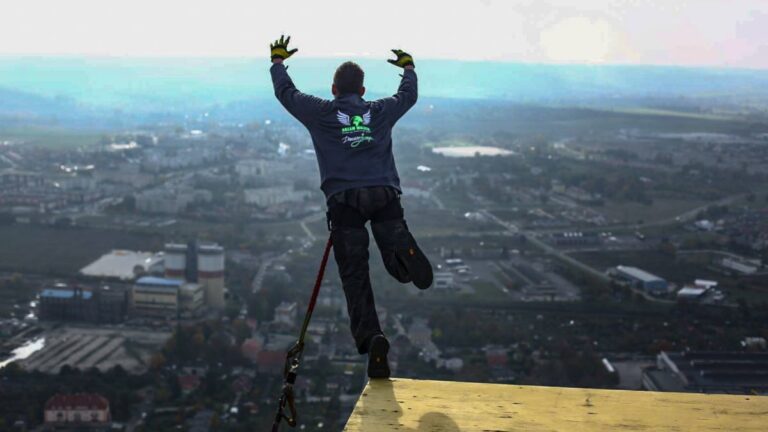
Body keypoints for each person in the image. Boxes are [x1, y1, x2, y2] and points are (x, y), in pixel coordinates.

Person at [269, 35, 433, 379]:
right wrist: (408, 67)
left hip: (345, 204)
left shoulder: (322, 112)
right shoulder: (379, 111)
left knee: (355, 277)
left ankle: (372, 337)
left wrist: (278, 64)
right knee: (397, 263)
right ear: (362, 89)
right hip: (384, 194)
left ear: (333, 88)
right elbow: (409, 96)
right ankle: (402, 248)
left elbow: (287, 95)